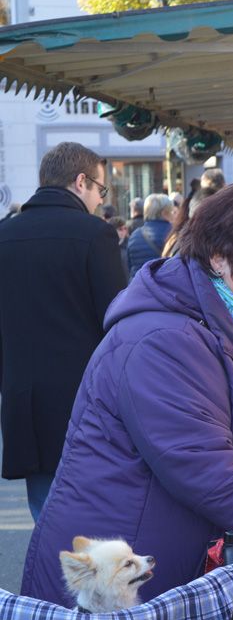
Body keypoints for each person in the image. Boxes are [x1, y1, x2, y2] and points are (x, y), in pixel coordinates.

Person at [20, 184, 233, 607]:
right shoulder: (163, 341)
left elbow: (230, 420)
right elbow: (203, 465)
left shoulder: (225, 325)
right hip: (122, 587)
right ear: (219, 259)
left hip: (160, 568)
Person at [0, 142, 127, 522]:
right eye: (100, 189)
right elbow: (116, 321)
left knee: (46, 517)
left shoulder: (5, 234)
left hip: (24, 402)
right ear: (80, 181)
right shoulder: (95, 234)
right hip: (85, 401)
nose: (100, 200)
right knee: (93, 520)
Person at [126, 193, 174, 278]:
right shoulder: (174, 234)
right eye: (171, 211)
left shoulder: (134, 236)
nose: (173, 214)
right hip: (165, 284)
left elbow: (130, 266)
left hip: (139, 284)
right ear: (164, 213)